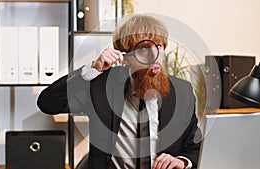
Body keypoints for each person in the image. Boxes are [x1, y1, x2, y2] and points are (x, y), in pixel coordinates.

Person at [37, 14, 201, 169]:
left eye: (159, 46)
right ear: (126, 56)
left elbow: (195, 146)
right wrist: (93, 69)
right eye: (144, 48)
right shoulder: (100, 86)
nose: (155, 55)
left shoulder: (182, 91)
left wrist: (181, 161)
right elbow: (48, 103)